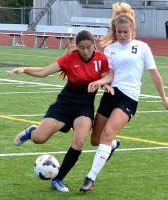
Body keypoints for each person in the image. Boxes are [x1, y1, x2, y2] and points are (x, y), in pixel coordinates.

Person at [79, 2, 168, 192]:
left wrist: (164, 99)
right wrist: (102, 83)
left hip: (128, 99)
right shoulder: (110, 49)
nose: (122, 35)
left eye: (125, 32)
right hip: (110, 95)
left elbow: (154, 74)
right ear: (115, 31)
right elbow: (109, 75)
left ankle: (90, 177)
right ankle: (113, 145)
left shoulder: (142, 48)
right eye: (119, 32)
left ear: (133, 30)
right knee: (96, 140)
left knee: (107, 134)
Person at [8, 30, 115, 192]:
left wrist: (105, 84)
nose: (85, 51)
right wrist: (24, 69)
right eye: (81, 48)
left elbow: (106, 76)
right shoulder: (69, 59)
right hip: (65, 104)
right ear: (76, 47)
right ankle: (31, 132)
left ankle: (58, 179)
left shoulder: (101, 59)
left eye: (88, 47)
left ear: (94, 45)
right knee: (39, 139)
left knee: (79, 141)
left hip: (85, 106)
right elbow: (44, 71)